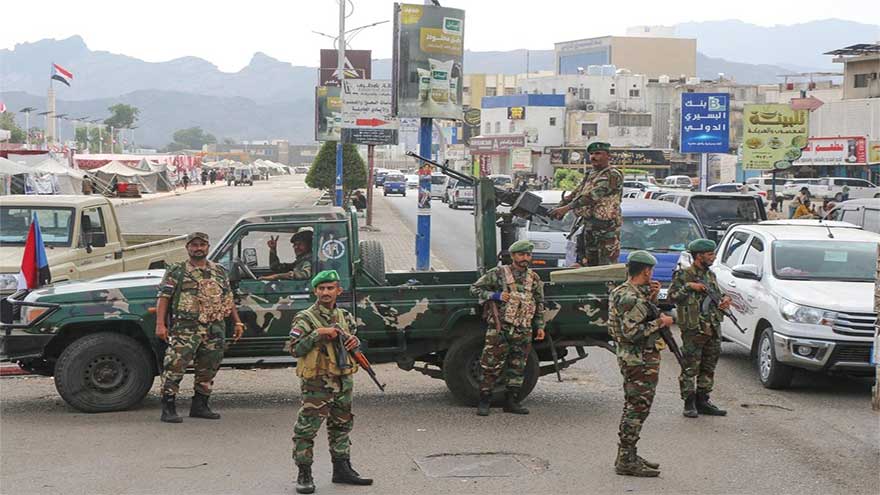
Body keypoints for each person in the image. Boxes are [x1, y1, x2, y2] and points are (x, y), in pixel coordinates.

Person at [289, 270, 373, 494]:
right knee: (307, 428)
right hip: (317, 383)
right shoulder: (305, 318)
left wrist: (354, 341)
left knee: (342, 425)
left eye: (330, 288)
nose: (325, 292)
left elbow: (353, 342)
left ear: (338, 291)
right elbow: (294, 349)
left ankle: (342, 469)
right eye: (321, 288)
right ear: (315, 291)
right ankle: (304, 473)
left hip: (343, 379)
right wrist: (318, 334)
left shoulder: (345, 316)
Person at [155, 232, 245, 423]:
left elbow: (228, 298)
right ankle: (168, 408)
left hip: (214, 328)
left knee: (208, 367)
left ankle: (200, 405)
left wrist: (237, 321)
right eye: (194, 245)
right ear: (187, 248)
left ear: (208, 247)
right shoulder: (177, 270)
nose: (198, 248)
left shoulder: (219, 270)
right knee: (175, 366)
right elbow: (164, 297)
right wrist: (160, 324)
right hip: (186, 328)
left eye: (202, 245)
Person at [608, 250, 673, 477]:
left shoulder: (623, 291)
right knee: (637, 408)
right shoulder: (631, 297)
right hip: (639, 359)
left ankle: (627, 454)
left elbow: (638, 316)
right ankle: (626, 460)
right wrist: (661, 322)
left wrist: (652, 298)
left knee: (633, 405)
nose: (651, 274)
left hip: (634, 357)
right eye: (651, 270)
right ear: (646, 271)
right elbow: (632, 332)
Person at [470, 239, 545, 416]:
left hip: (523, 328)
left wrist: (540, 326)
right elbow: (474, 289)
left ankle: (512, 402)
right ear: (512, 256)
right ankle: (484, 401)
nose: (525, 258)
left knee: (518, 366)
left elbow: (539, 302)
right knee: (490, 365)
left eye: (528, 255)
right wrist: (495, 295)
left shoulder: (533, 278)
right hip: (500, 328)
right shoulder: (498, 273)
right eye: (521, 254)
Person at [668, 239, 731, 419]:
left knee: (708, 366)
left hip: (712, 327)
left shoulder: (710, 275)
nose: (714, 257)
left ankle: (703, 400)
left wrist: (724, 300)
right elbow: (672, 297)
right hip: (694, 329)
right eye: (710, 254)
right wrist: (689, 287)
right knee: (690, 366)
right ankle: (689, 402)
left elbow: (717, 295)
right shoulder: (684, 275)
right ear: (699, 256)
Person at [549, 142, 623, 267]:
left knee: (605, 268)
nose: (594, 157)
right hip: (589, 227)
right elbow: (576, 193)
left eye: (598, 153)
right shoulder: (590, 174)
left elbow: (593, 196)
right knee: (588, 266)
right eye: (592, 154)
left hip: (606, 231)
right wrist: (558, 207)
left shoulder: (612, 174)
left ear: (608, 156)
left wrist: (566, 208)